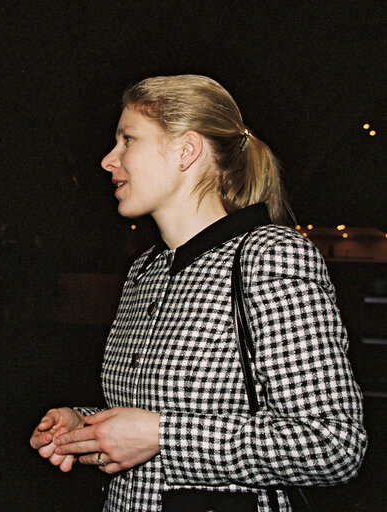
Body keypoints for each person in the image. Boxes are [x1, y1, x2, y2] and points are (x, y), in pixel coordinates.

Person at [30, 75, 366, 511]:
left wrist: (161, 436)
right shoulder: (145, 271)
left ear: (187, 150)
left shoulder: (269, 256)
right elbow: (156, 411)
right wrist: (88, 427)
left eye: (127, 139)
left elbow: (333, 443)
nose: (108, 160)